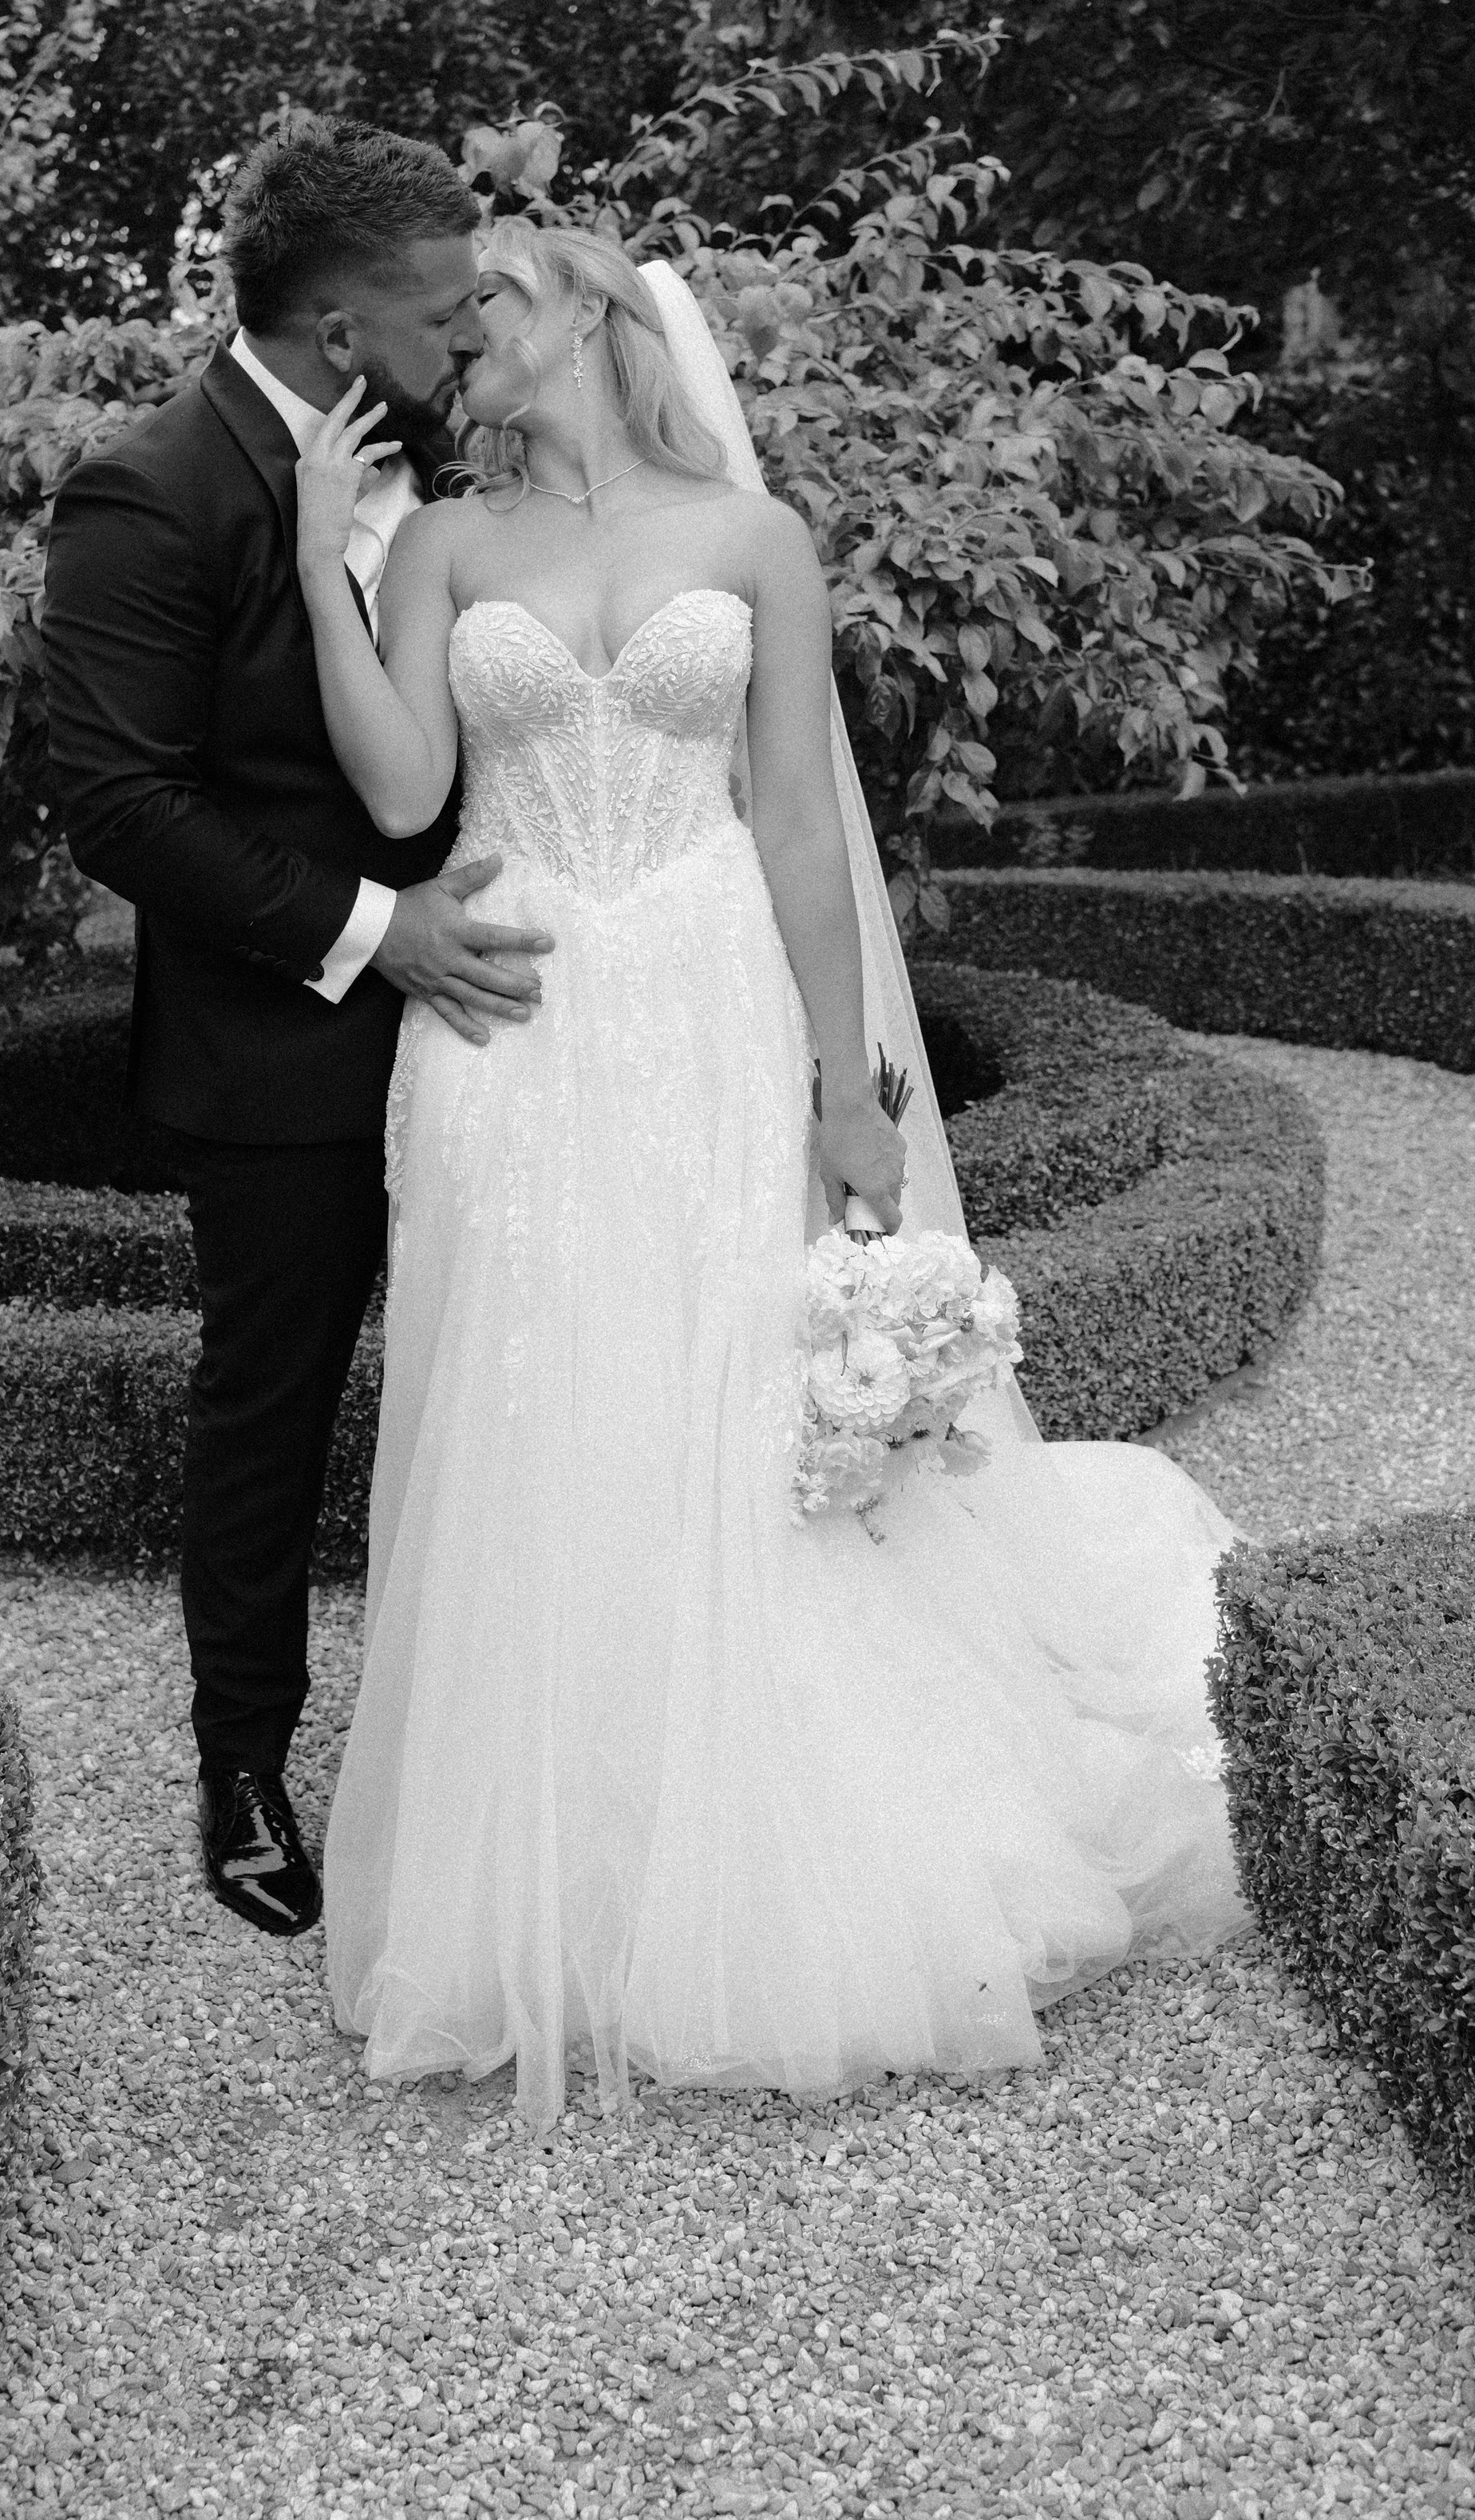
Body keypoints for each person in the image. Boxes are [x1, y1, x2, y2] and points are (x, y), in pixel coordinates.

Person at [297, 216, 1248, 2122]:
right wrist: (335, 561)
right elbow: (403, 795)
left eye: (487, 297)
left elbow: (800, 822)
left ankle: (769, 1869)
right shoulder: (441, 542)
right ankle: (554, 1887)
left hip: (713, 997)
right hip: (516, 1023)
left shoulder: (749, 541)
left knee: (731, 1396)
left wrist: (848, 1089)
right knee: (535, 1408)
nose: (455, 332)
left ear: (588, 318)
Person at [42, 118, 556, 1939]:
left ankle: (531, 1751)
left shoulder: (468, 461)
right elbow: (118, 801)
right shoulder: (152, 488)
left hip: (519, 1020)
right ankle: (243, 1764)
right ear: (344, 333)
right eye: (442, 312)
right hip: (289, 1044)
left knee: (523, 1382)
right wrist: (370, 932)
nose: (474, 333)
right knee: (269, 1405)